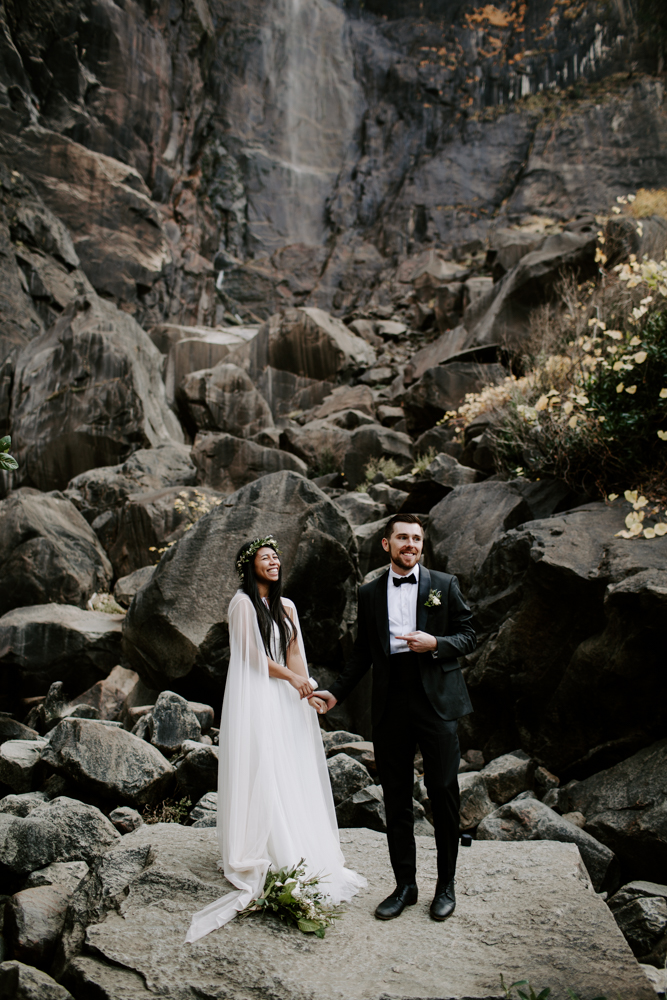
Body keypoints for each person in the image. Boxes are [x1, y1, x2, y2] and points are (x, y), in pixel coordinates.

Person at [185, 535, 365, 943]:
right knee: (263, 766)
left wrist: (308, 689)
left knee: (292, 767)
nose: (274, 562)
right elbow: (253, 658)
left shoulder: (287, 607)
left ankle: (298, 844)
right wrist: (292, 679)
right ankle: (264, 847)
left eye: (276, 557)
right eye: (266, 558)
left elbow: (294, 651)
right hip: (257, 696)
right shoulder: (242, 605)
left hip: (285, 695)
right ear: (251, 567)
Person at [316, 514, 475, 922]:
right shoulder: (368, 593)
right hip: (389, 703)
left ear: (423, 546)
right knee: (397, 797)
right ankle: (405, 885)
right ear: (387, 544)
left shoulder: (444, 584)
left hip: (436, 701)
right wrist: (335, 693)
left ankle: (445, 885)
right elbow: (361, 654)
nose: (410, 544)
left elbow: (470, 634)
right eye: (402, 537)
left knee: (442, 790)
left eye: (416, 538)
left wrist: (436, 642)